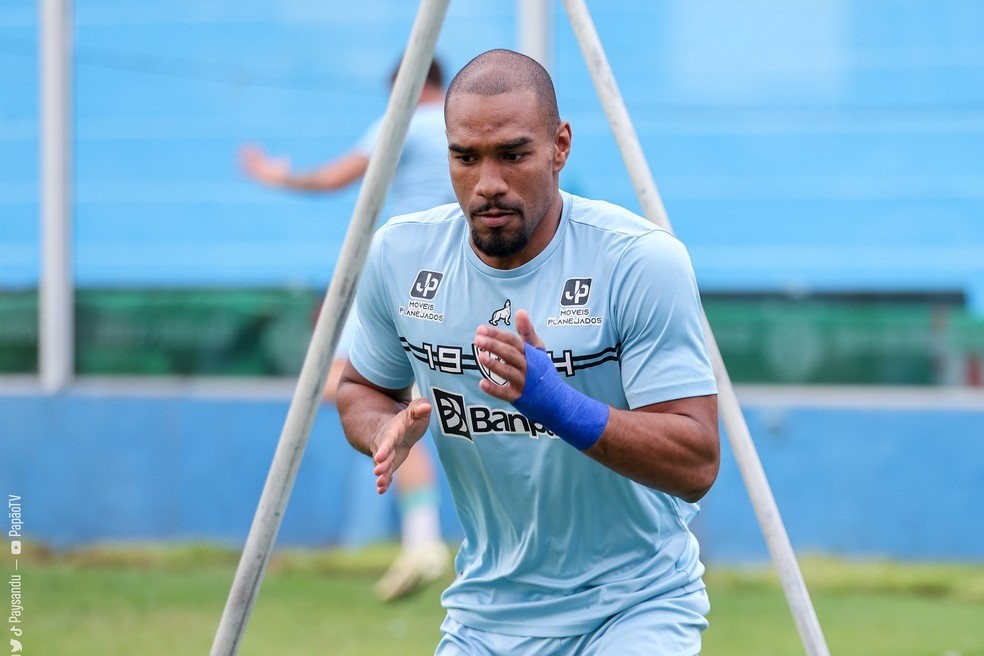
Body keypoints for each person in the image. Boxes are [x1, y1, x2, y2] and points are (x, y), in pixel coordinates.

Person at [336, 48, 721, 654]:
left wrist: (557, 404)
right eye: (466, 158)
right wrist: (383, 428)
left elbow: (696, 462)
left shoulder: (638, 261)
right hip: (484, 618)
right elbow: (360, 389)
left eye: (513, 155)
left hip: (633, 607)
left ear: (560, 146)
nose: (487, 184)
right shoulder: (400, 256)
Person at [239, 58, 454, 602]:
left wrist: (278, 175)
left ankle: (423, 530)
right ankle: (423, 534)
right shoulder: (464, 126)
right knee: (418, 401)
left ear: (402, 87)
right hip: (458, 281)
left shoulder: (401, 119)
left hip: (402, 274)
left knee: (343, 383)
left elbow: (338, 177)